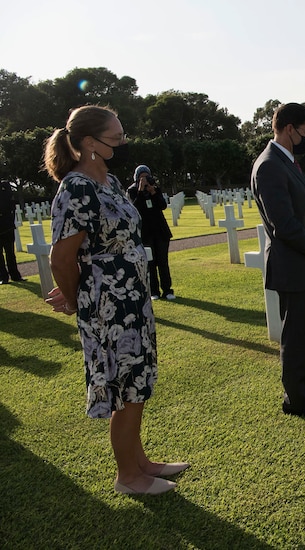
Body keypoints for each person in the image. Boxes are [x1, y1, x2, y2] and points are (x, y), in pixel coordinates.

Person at [43, 105, 188, 494]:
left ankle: (141, 461)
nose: (123, 142)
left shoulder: (109, 180)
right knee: (124, 385)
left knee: (137, 380)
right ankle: (128, 475)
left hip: (133, 299)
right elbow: (62, 257)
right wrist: (75, 301)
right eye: (117, 137)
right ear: (90, 143)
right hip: (108, 306)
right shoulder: (76, 188)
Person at [251, 102, 305, 416]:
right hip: (292, 263)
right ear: (288, 129)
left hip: (304, 262)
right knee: (297, 334)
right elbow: (284, 225)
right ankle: (296, 399)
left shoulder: (286, 161)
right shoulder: (269, 165)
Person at [127, 165, 175, 300]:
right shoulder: (132, 191)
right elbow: (134, 208)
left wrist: (153, 192)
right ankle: (154, 291)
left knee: (163, 262)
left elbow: (162, 206)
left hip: (160, 230)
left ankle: (168, 290)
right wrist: (141, 191)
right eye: (141, 177)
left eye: (146, 176)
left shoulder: (155, 188)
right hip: (145, 232)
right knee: (150, 263)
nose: (144, 179)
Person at [0, 180, 23, 284]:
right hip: (6, 225)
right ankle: (3, 277)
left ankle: (14, 275)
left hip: (7, 226)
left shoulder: (5, 188)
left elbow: (11, 205)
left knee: (10, 253)